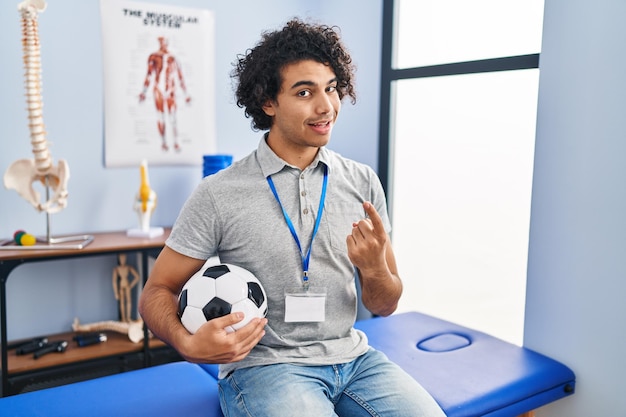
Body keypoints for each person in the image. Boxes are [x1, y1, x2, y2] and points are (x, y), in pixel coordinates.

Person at [139, 18, 446, 417]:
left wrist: (374, 271)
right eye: (305, 92)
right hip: (267, 368)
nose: (326, 107)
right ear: (268, 102)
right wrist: (188, 343)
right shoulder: (219, 193)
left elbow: (384, 304)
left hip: (355, 360)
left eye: (332, 89)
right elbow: (156, 292)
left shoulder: (362, 182)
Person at [138, 36, 191, 152]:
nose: (163, 44)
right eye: (161, 42)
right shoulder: (154, 57)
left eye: (165, 42)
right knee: (161, 117)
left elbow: (180, 76)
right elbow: (149, 75)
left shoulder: (173, 58)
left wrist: (186, 94)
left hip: (170, 90)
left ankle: (176, 142)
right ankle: (163, 142)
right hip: (158, 90)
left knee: (173, 117)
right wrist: (143, 92)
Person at [112, 253, 140, 323]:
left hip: (127, 286)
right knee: (122, 303)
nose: (123, 260)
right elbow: (114, 281)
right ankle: (123, 319)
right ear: (119, 258)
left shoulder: (128, 267)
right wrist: (116, 293)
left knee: (129, 302)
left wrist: (131, 285)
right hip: (121, 287)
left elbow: (137, 277)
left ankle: (128, 318)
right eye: (121, 258)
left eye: (124, 258)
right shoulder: (117, 269)